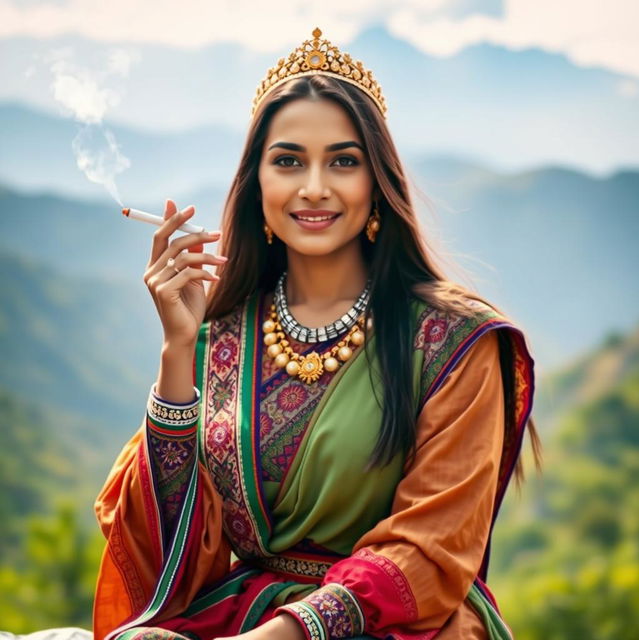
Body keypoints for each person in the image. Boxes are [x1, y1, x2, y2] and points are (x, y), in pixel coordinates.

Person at [92, 27, 540, 640]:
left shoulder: (456, 342)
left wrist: (285, 633)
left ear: (376, 182)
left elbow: (433, 545)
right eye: (288, 160)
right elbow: (168, 558)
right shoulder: (223, 336)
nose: (314, 187)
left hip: (395, 623)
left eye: (343, 161)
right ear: (258, 184)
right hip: (246, 613)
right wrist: (177, 352)